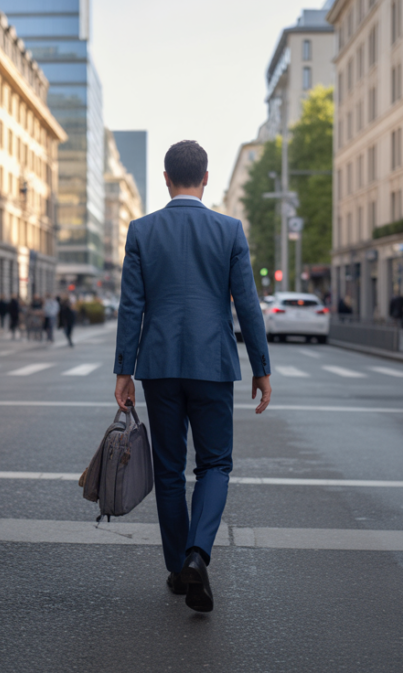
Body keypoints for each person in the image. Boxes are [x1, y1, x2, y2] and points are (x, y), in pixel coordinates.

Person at [114, 140, 271, 613]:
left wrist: (124, 370)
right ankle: (197, 555)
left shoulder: (141, 230)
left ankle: (177, 569)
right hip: (212, 364)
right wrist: (261, 367)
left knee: (168, 470)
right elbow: (248, 305)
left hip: (159, 364)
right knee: (215, 464)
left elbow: (131, 307)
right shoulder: (229, 230)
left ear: (165, 179)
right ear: (205, 178)